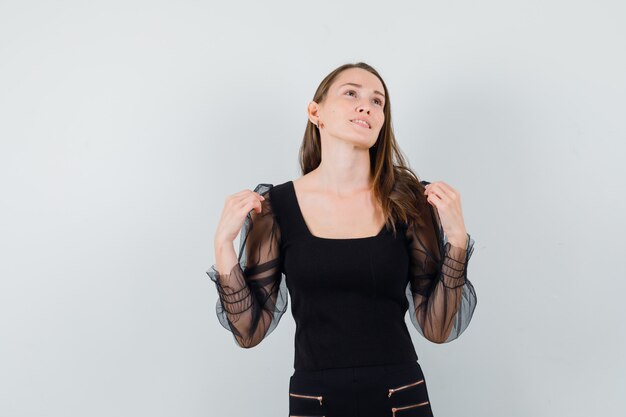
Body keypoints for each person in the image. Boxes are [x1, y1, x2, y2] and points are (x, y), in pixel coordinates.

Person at [207, 62, 477, 417]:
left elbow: (438, 328)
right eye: (351, 93)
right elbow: (249, 332)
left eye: (378, 101)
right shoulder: (274, 208)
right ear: (315, 112)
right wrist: (224, 247)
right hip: (314, 402)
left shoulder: (410, 202)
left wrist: (456, 239)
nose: (367, 105)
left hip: (400, 396)